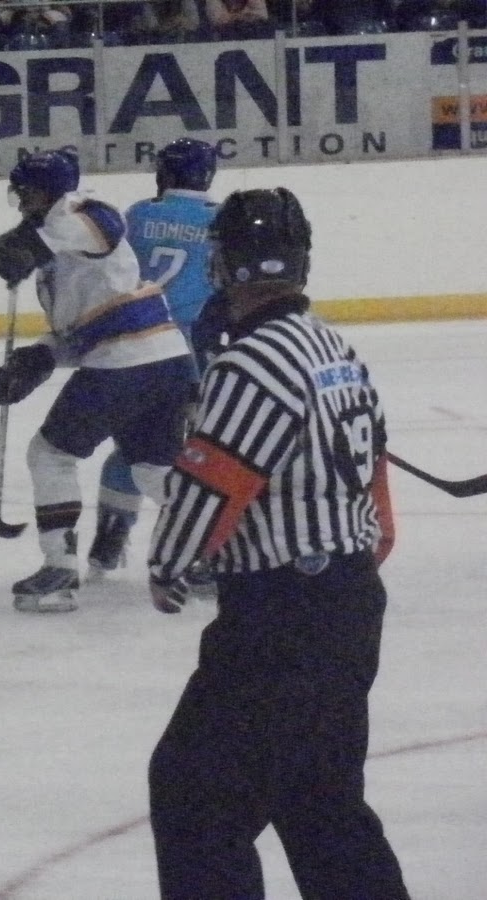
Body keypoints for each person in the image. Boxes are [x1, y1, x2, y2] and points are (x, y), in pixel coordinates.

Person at [144, 187, 409, 899]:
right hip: (348, 603)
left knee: (194, 797)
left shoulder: (250, 363)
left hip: (281, 621)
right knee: (320, 803)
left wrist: (169, 564)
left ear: (224, 265)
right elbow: (376, 493)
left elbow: (215, 481)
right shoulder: (332, 345)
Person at [0, 149, 194, 612]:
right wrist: (38, 358)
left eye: (27, 192)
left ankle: (59, 571)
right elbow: (88, 323)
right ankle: (216, 551)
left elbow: (104, 229)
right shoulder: (54, 240)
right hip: (165, 361)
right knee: (153, 469)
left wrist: (28, 244)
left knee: (50, 454)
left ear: (49, 191)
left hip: (126, 366)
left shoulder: (83, 212)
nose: (20, 202)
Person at [85, 137, 219, 580]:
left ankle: (108, 541)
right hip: (190, 355)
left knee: (134, 446)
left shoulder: (139, 214)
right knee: (194, 453)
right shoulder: (220, 222)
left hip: (133, 349)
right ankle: (205, 546)